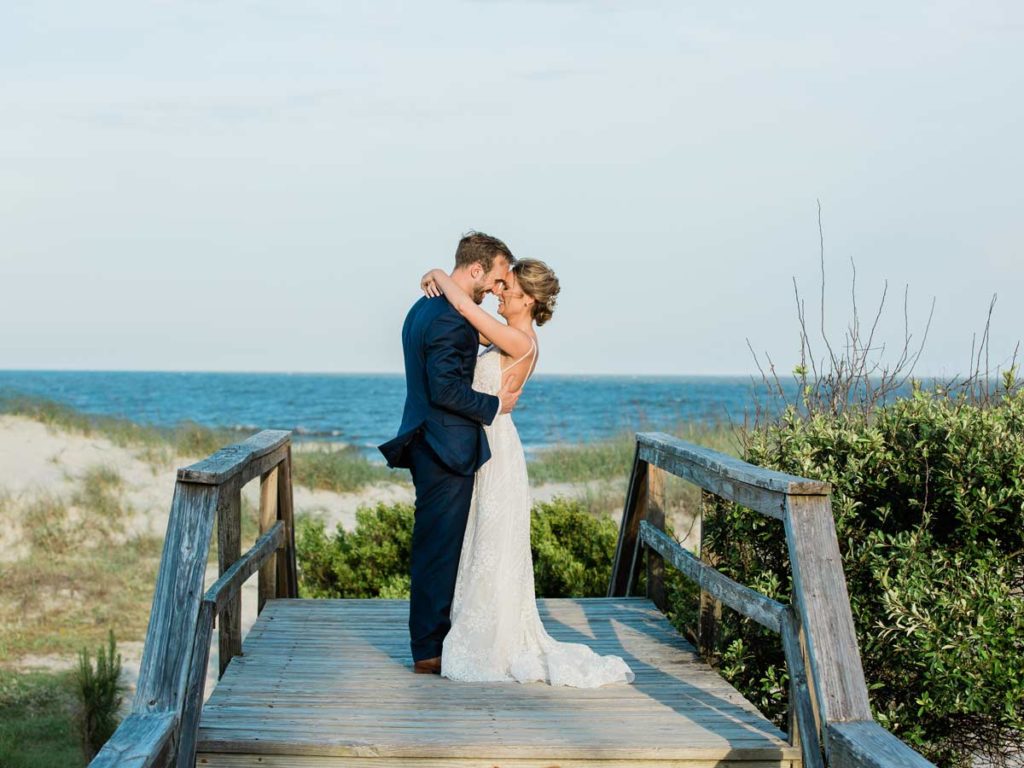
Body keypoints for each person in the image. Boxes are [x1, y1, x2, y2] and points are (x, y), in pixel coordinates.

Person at [420, 259, 635, 687]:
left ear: (529, 300)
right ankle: (470, 629)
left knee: (494, 544)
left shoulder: (521, 342)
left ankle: (492, 642)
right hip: (487, 442)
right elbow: (465, 323)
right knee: (482, 541)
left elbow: (464, 308)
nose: (499, 292)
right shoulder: (501, 335)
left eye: (509, 288)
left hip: (497, 449)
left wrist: (440, 275)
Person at [379, 232, 522, 675]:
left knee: (437, 548)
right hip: (444, 447)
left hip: (431, 442)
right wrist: (493, 406)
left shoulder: (424, 308)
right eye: (497, 279)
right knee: (439, 551)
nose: (498, 289)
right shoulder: (450, 319)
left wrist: (439, 276)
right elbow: (445, 389)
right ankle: (428, 652)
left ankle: (434, 641)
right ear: (476, 270)